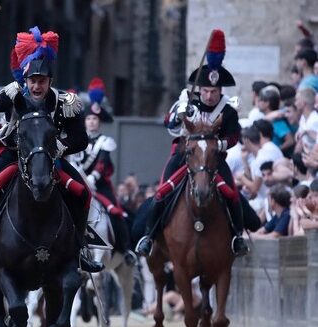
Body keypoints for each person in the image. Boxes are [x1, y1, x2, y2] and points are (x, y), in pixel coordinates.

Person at [0, 27, 104, 276]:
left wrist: (60, 147)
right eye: (33, 80)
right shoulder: (15, 93)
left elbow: (81, 138)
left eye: (42, 81)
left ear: (50, 81)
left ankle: (80, 250)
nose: (37, 86)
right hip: (12, 157)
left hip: (49, 160)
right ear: (25, 79)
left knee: (83, 194)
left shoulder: (65, 102)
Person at [136, 29, 250, 258]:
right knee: (161, 193)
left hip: (213, 160)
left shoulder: (227, 110)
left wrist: (220, 146)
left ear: (221, 91)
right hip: (183, 157)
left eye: (214, 92)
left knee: (232, 194)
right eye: (206, 91)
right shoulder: (187, 102)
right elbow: (169, 126)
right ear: (199, 89)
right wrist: (178, 115)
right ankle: (149, 237)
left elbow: (234, 136)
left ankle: (237, 237)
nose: (209, 96)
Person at [78, 77, 136, 266]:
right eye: (88, 118)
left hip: (99, 186)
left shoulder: (106, 142)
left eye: (95, 119)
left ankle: (126, 249)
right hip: (78, 183)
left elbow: (102, 163)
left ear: (99, 121)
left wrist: (93, 178)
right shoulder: (77, 140)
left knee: (116, 212)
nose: (92, 122)